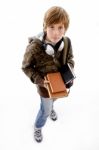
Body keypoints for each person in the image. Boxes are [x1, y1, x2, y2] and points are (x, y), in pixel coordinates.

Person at [22, 6, 75, 143]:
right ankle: (38, 126)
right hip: (45, 88)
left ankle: (51, 106)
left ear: (65, 29)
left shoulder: (67, 42)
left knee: (53, 101)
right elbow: (26, 67)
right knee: (45, 110)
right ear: (45, 26)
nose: (56, 33)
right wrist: (39, 80)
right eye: (51, 27)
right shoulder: (34, 48)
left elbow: (70, 59)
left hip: (60, 86)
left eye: (60, 27)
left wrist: (69, 74)